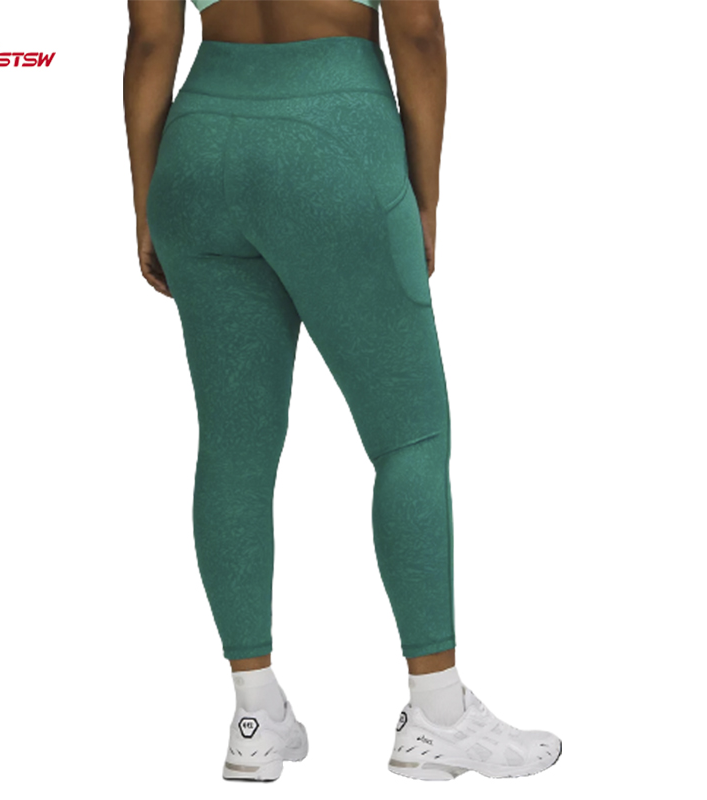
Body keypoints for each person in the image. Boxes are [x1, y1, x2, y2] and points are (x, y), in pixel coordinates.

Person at [124, 0, 561, 783]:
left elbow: (153, 38)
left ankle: (254, 717)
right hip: (336, 141)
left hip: (198, 150)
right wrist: (425, 195)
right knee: (410, 438)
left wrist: (146, 200)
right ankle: (438, 715)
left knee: (233, 447)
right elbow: (417, 30)